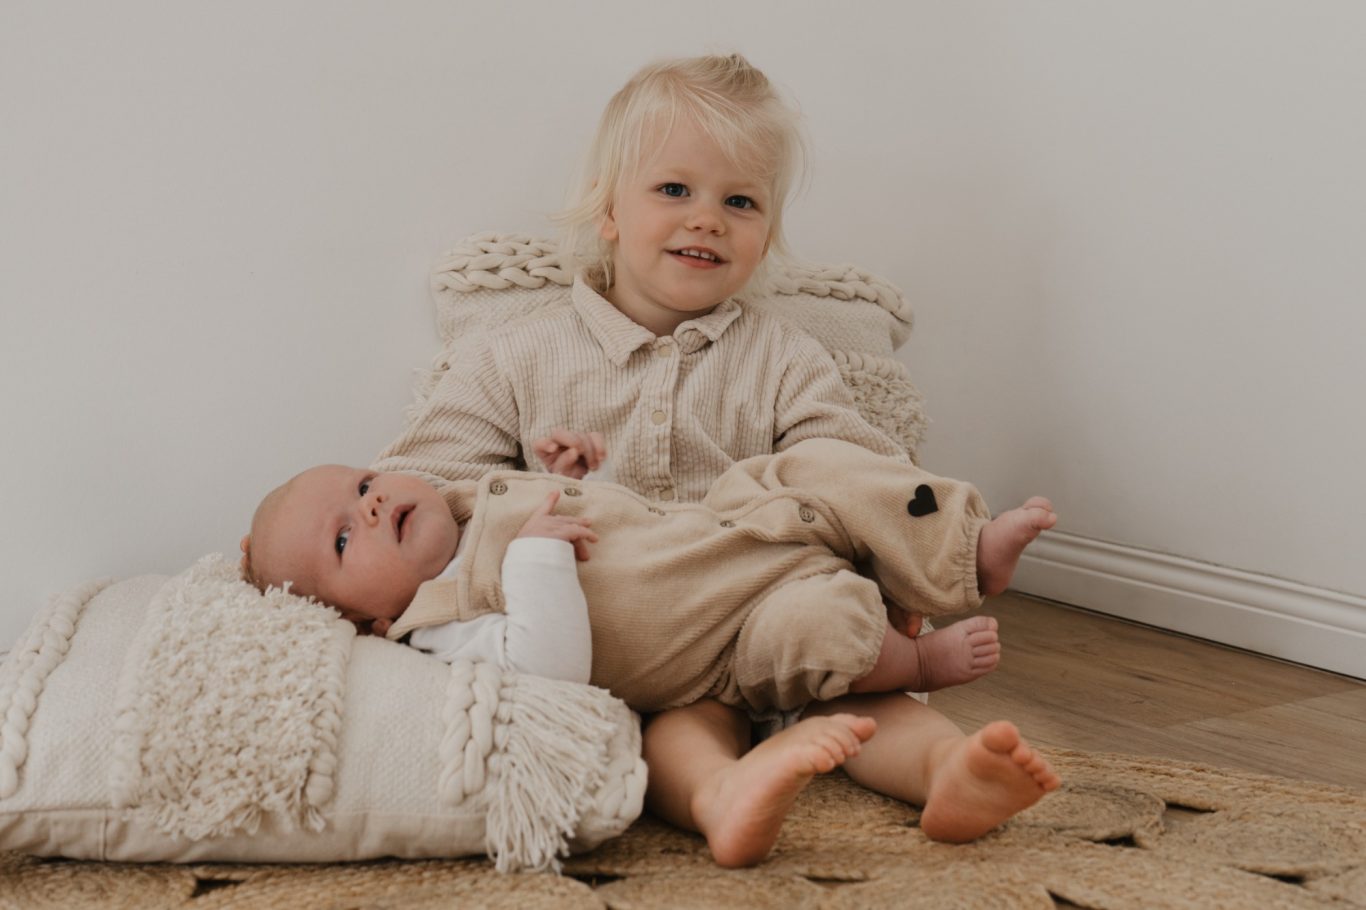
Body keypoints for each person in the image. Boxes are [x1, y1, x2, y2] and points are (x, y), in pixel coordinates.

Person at [370, 52, 1015, 865]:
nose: (707, 218)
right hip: (624, 633)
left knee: (844, 686)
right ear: (609, 210)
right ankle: (722, 792)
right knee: (665, 729)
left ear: (765, 235)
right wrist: (537, 488)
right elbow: (429, 480)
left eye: (739, 201)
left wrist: (896, 568)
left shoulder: (783, 355)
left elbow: (851, 468)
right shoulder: (518, 354)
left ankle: (946, 769)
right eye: (675, 189)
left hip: (757, 613)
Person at [241, 439, 1060, 845]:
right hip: (728, 648)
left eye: (363, 484)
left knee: (814, 460)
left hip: (734, 523)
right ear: (367, 625)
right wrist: (533, 556)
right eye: (343, 540)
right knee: (824, 638)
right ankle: (933, 754)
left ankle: (964, 550)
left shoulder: (468, 498)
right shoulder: (439, 624)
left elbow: (626, 525)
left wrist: (562, 474)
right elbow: (547, 668)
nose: (371, 507)